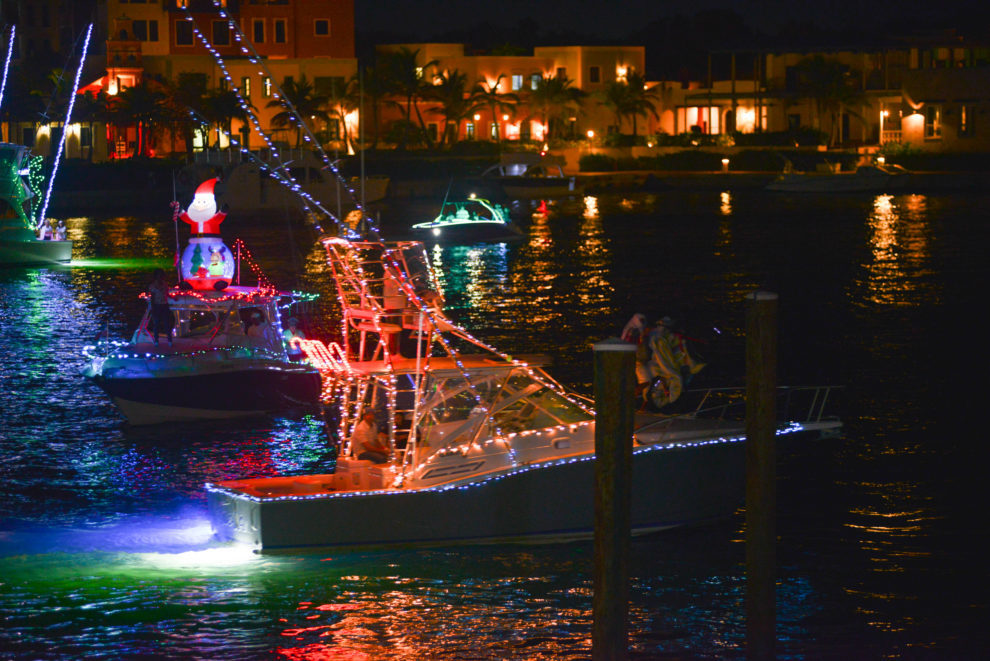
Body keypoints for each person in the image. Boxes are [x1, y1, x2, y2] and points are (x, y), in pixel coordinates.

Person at [638, 315, 705, 410]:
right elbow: (666, 361)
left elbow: (667, 360)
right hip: (667, 373)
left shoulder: (660, 339)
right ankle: (671, 405)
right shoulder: (659, 339)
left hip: (668, 373)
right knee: (676, 379)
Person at [147, 269, 173, 346]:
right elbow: (152, 297)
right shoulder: (153, 286)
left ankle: (169, 340)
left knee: (167, 323)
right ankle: (156, 340)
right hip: (157, 305)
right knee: (156, 323)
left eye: (161, 275)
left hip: (164, 305)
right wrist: (153, 307)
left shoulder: (165, 284)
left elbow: (166, 293)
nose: (161, 277)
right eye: (159, 275)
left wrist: (172, 298)